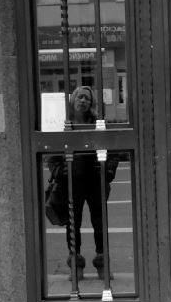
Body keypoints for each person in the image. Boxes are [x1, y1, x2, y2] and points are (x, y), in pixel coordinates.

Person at [47, 85, 118, 280]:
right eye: (80, 97)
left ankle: (102, 262)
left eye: (87, 98)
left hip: (96, 181)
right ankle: (75, 263)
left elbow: (113, 150)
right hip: (72, 182)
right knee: (73, 224)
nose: (83, 101)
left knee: (99, 223)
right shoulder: (65, 125)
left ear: (91, 102)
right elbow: (52, 152)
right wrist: (58, 170)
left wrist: (108, 170)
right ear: (73, 101)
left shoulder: (98, 124)